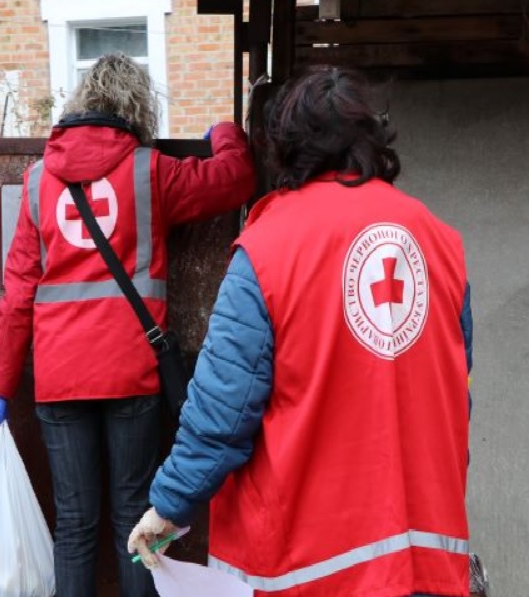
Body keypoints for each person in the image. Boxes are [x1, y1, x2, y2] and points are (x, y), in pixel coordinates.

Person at [128, 66, 475, 597]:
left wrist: (170, 505)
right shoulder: (441, 243)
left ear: (285, 146)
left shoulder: (269, 247)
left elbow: (222, 409)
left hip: (312, 566)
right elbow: (457, 394)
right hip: (423, 558)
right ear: (372, 138)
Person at [0, 52, 254, 597]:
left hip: (59, 380)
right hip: (132, 371)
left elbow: (17, 297)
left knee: (74, 523)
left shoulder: (36, 183)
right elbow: (236, 179)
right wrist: (225, 132)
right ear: (136, 106)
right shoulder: (151, 171)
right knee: (135, 515)